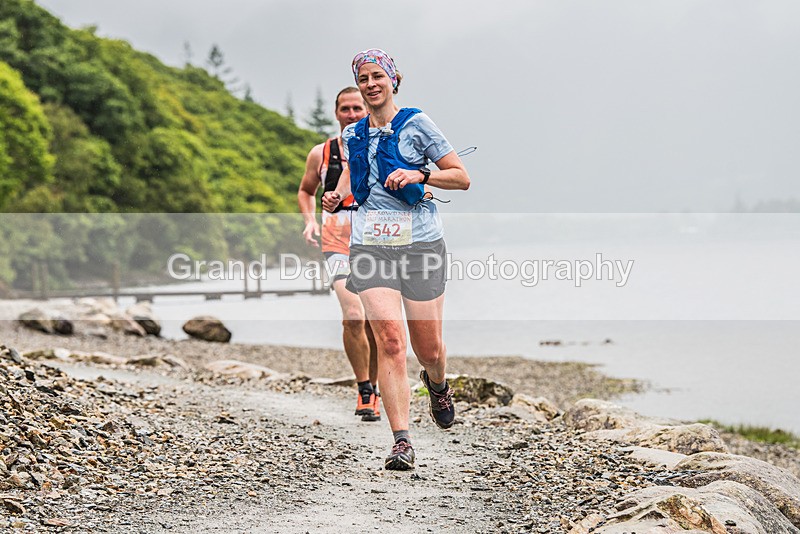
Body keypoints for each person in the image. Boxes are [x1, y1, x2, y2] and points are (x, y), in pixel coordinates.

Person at [322, 49, 470, 470]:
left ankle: (437, 383)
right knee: (389, 341)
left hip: (421, 244)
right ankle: (401, 440)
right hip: (371, 246)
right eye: (363, 78)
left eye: (377, 77)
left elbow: (460, 177)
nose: (370, 84)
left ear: (393, 80)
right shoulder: (352, 136)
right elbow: (353, 182)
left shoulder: (418, 124)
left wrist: (419, 175)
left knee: (429, 348)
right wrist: (336, 197)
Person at [298, 87, 380, 421]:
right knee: (354, 315)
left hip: (377, 237)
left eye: (357, 108)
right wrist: (309, 222)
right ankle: (363, 387)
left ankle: (376, 387)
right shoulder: (321, 153)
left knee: (378, 321)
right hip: (336, 238)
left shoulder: (381, 148)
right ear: (336, 114)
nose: (352, 114)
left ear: (368, 110)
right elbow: (306, 191)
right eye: (345, 109)